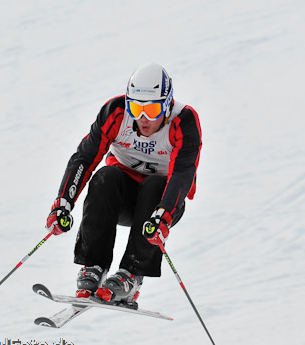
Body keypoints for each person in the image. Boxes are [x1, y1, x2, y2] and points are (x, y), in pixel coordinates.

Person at [46, 63, 202, 306]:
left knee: (154, 185)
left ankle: (132, 274)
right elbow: (85, 158)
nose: (142, 118)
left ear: (168, 104)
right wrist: (63, 203)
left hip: (161, 204)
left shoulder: (184, 121)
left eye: (152, 109)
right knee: (105, 176)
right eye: (136, 107)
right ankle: (94, 266)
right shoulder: (115, 113)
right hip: (123, 198)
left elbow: (183, 174)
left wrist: (164, 216)